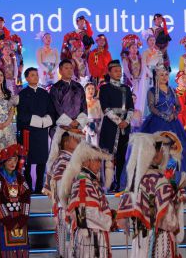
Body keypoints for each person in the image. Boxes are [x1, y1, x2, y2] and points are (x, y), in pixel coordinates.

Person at [116, 131, 186, 258]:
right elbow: (168, 221)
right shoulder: (160, 180)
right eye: (160, 150)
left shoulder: (135, 181)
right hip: (159, 241)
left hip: (140, 241)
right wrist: (177, 202)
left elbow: (122, 219)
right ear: (153, 154)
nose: (162, 153)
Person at [140, 66, 186, 191]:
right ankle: (155, 181)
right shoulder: (152, 91)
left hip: (173, 123)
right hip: (157, 123)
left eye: (166, 75)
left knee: (180, 149)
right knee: (157, 150)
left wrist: (174, 114)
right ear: (156, 77)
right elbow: (151, 107)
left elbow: (178, 106)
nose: (164, 77)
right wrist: (163, 115)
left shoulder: (172, 91)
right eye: (161, 75)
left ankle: (175, 180)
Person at [59, 141, 114, 258]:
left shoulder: (89, 181)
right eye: (97, 160)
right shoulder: (83, 182)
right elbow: (84, 215)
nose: (99, 164)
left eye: (100, 161)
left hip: (93, 238)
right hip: (90, 241)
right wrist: (109, 221)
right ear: (87, 161)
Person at [43, 123, 83, 258]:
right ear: (66, 142)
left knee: (69, 248)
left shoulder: (69, 159)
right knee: (67, 249)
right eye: (74, 138)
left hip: (69, 209)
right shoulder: (63, 160)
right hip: (67, 210)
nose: (78, 140)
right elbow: (62, 189)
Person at [16, 67, 56, 193]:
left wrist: (46, 121)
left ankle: (39, 187)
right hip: (28, 132)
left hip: (42, 132)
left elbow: (51, 111)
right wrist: (37, 121)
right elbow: (21, 115)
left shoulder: (44, 93)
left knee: (42, 160)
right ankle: (28, 187)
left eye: (36, 75)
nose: (36, 77)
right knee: (27, 161)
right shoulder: (22, 94)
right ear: (27, 78)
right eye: (32, 75)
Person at [0, 144, 31, 258]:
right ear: (3, 162)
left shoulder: (20, 178)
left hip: (19, 218)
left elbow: (26, 196)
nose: (13, 163)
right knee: (4, 251)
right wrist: (8, 221)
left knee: (21, 251)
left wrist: (22, 218)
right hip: (4, 220)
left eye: (15, 160)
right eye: (9, 160)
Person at [98, 60, 134, 191]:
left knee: (121, 155)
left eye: (120, 71)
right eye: (115, 71)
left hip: (125, 127)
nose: (118, 73)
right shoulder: (104, 88)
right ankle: (108, 183)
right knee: (108, 155)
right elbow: (105, 108)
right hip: (110, 126)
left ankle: (119, 182)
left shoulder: (126, 89)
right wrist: (119, 122)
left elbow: (131, 107)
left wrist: (127, 121)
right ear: (109, 72)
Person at [49, 59, 88, 129]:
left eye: (71, 68)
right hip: (61, 127)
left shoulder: (79, 86)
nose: (69, 70)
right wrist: (69, 122)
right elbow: (56, 108)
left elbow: (84, 107)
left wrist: (78, 121)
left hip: (77, 126)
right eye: (66, 68)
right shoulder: (55, 88)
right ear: (60, 71)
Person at [138, 33, 164, 114]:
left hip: (156, 74)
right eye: (150, 40)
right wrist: (151, 74)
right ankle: (147, 113)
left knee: (156, 93)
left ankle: (156, 112)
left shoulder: (158, 52)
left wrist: (159, 73)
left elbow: (161, 65)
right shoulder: (145, 52)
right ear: (147, 42)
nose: (152, 42)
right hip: (147, 74)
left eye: (153, 40)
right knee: (147, 92)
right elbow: (144, 65)